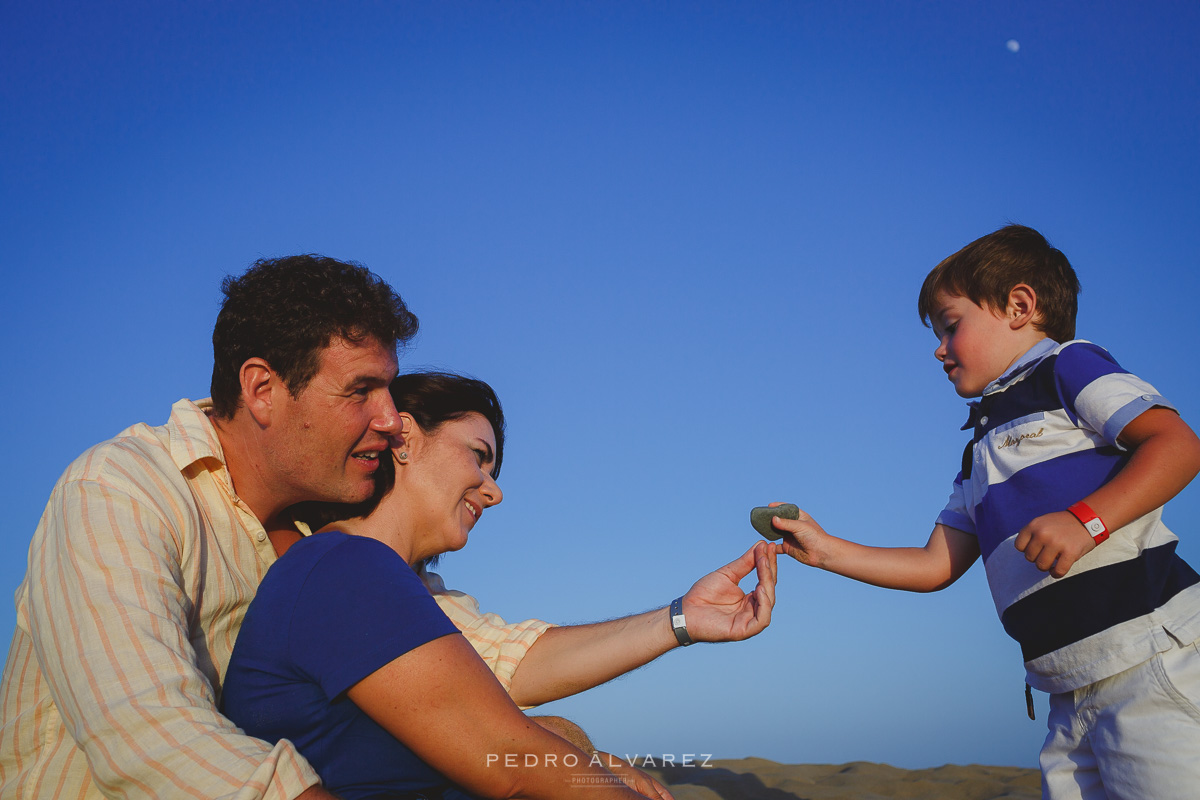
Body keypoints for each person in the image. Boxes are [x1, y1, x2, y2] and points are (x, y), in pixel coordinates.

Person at [770, 225, 1200, 799]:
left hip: (1151, 657)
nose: (938, 349)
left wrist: (1086, 521)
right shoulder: (978, 450)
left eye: (951, 326)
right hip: (1063, 694)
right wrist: (827, 551)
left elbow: (1176, 444)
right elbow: (935, 565)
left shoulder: (1066, 369)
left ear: (1020, 306)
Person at [223, 371, 779, 799]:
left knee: (563, 734)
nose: (493, 492)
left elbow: (514, 663)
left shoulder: (392, 584)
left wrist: (682, 618)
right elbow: (508, 761)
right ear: (406, 436)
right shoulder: (344, 567)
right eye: (479, 458)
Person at [0, 254, 418, 800]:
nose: (390, 420)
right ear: (262, 388)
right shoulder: (119, 488)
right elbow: (149, 733)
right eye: (361, 390)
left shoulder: (329, 534)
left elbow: (450, 654)